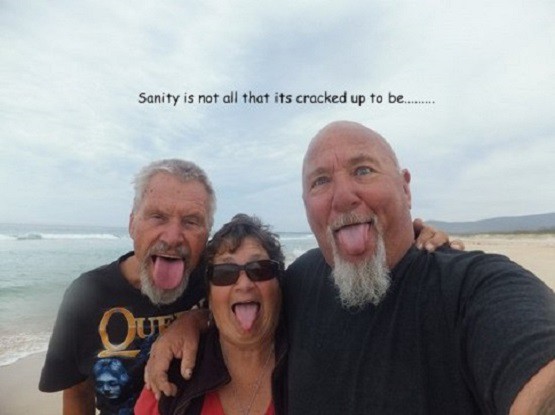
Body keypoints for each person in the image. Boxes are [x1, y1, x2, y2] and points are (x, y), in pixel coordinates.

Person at [147, 122, 555, 414]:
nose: (343, 197)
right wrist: (193, 321)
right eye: (321, 181)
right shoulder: (303, 280)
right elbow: (246, 298)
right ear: (306, 205)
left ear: (405, 187)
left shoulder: (478, 288)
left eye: (363, 170)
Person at [39, 159, 215, 415]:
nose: (172, 237)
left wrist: (195, 320)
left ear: (207, 234)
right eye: (158, 217)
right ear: (132, 224)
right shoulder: (86, 295)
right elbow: (78, 392)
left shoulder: (219, 280)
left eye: (191, 222)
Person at [134, 214, 287, 414]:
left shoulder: (308, 363)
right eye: (225, 273)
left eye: (260, 269)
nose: (244, 284)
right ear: (209, 295)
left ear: (279, 285)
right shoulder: (170, 378)